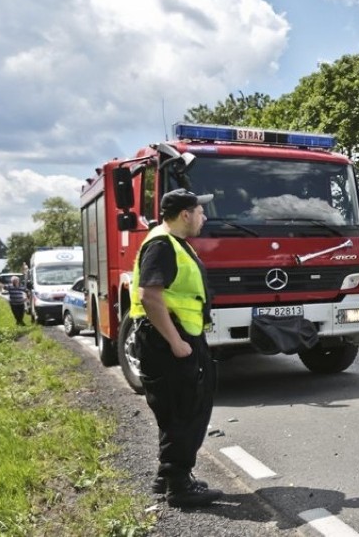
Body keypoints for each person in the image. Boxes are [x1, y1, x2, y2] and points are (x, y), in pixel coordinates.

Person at [128, 188, 222, 508]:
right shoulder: (162, 245)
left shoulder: (172, 243)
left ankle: (167, 476)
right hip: (169, 339)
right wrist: (176, 342)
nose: (204, 217)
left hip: (177, 335)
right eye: (199, 211)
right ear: (185, 214)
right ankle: (179, 486)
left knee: (178, 408)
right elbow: (149, 295)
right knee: (185, 410)